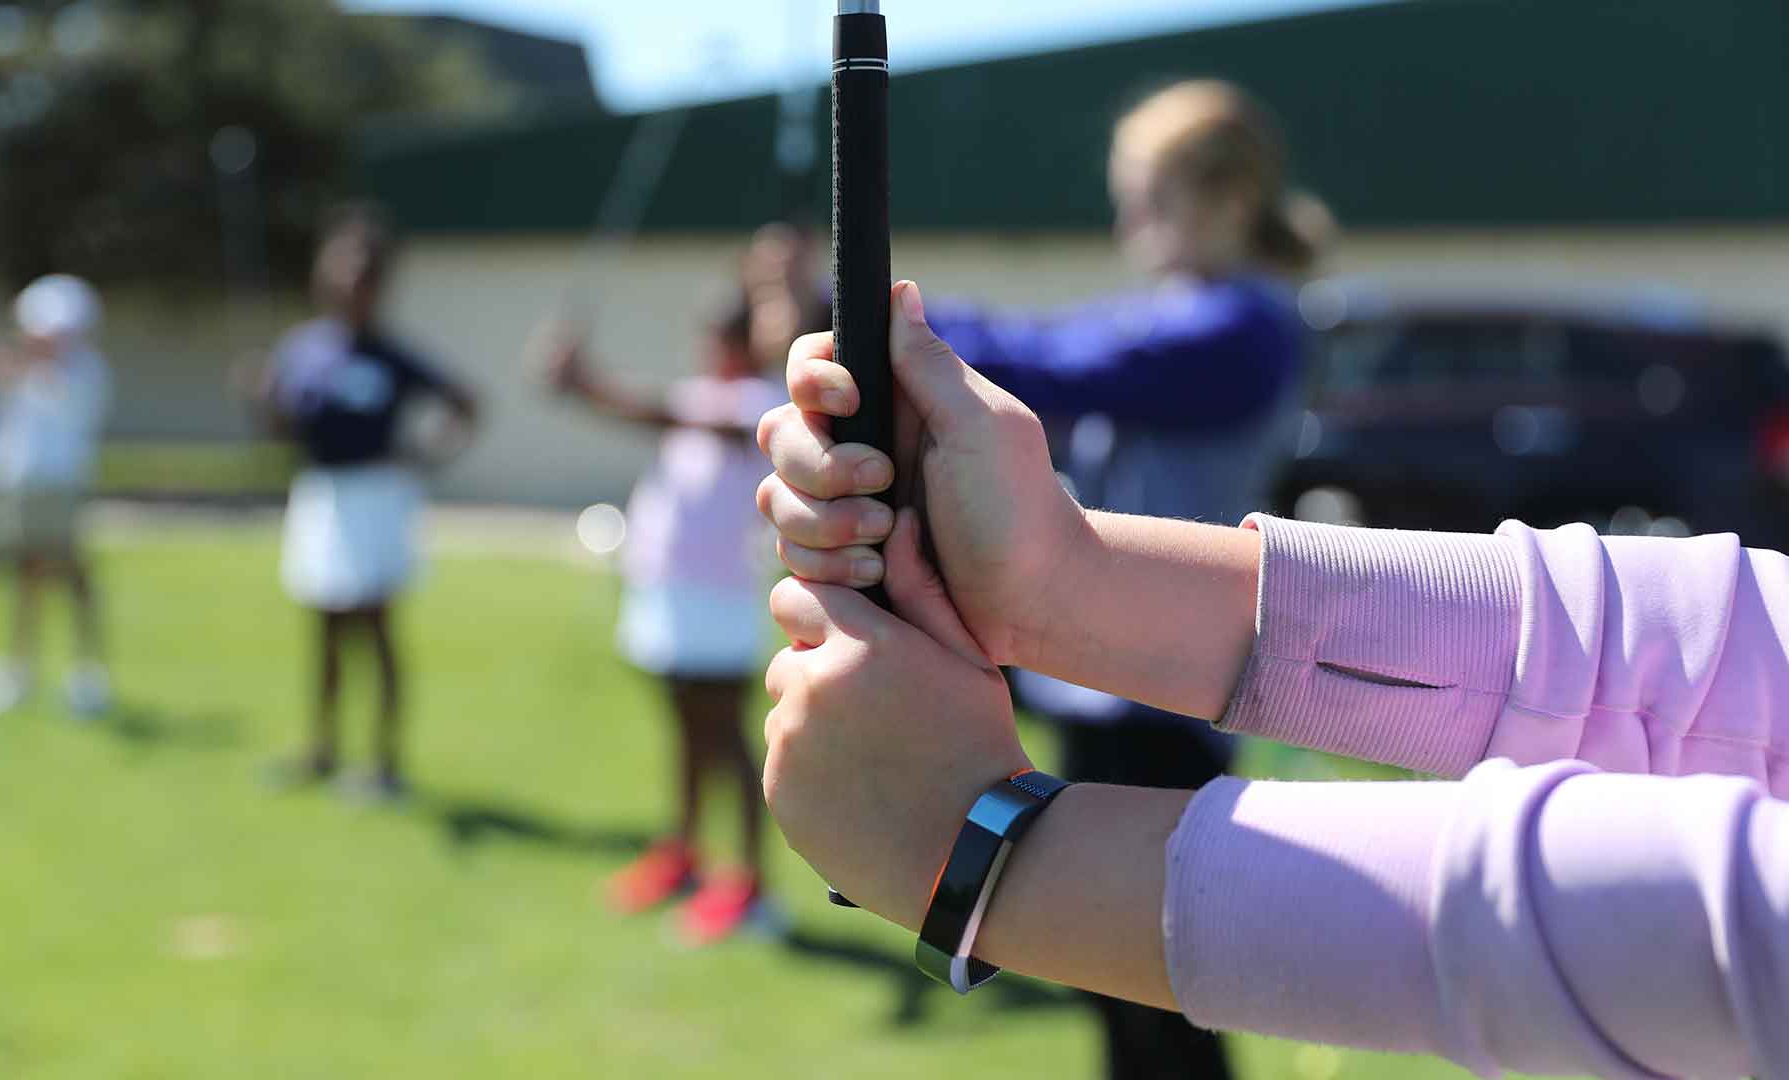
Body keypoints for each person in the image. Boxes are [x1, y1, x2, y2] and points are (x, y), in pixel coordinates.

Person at [754, 282, 1789, 1080]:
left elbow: (1744, 932)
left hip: (1156, 729)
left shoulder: (1238, 318)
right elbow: (1732, 656)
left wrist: (995, 853)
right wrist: (1060, 584)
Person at [908, 79, 1325, 1079]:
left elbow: (1056, 361)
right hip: (1110, 686)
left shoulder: (1244, 328)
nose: (1129, 224)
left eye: (1151, 199)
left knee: (1163, 993)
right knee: (1111, 983)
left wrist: (888, 318)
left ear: (1229, 198)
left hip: (1166, 699)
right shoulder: (1190, 317)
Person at [531, 283, 793, 945]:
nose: (711, 349)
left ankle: (752, 884)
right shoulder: (701, 395)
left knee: (727, 739)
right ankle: (684, 853)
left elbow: (664, 416)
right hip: (670, 593)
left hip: (722, 598)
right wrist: (582, 387)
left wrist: (587, 384)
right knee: (685, 731)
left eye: (722, 337)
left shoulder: (760, 404)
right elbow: (662, 413)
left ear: (746, 343)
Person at [244, 204, 480, 802]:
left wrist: (425, 456)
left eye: (364, 273)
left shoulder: (391, 354)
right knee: (324, 628)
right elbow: (283, 429)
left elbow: (466, 405)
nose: (352, 283)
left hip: (377, 497)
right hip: (322, 494)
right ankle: (322, 750)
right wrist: (262, 401)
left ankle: (384, 763)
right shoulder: (302, 349)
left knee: (376, 628)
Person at [0, 274, 114, 719]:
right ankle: (19, 667)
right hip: (15, 482)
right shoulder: (21, 366)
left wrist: (32, 365)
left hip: (58, 484)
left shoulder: (85, 372)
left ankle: (87, 672)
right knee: (21, 573)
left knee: (70, 572)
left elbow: (66, 406)